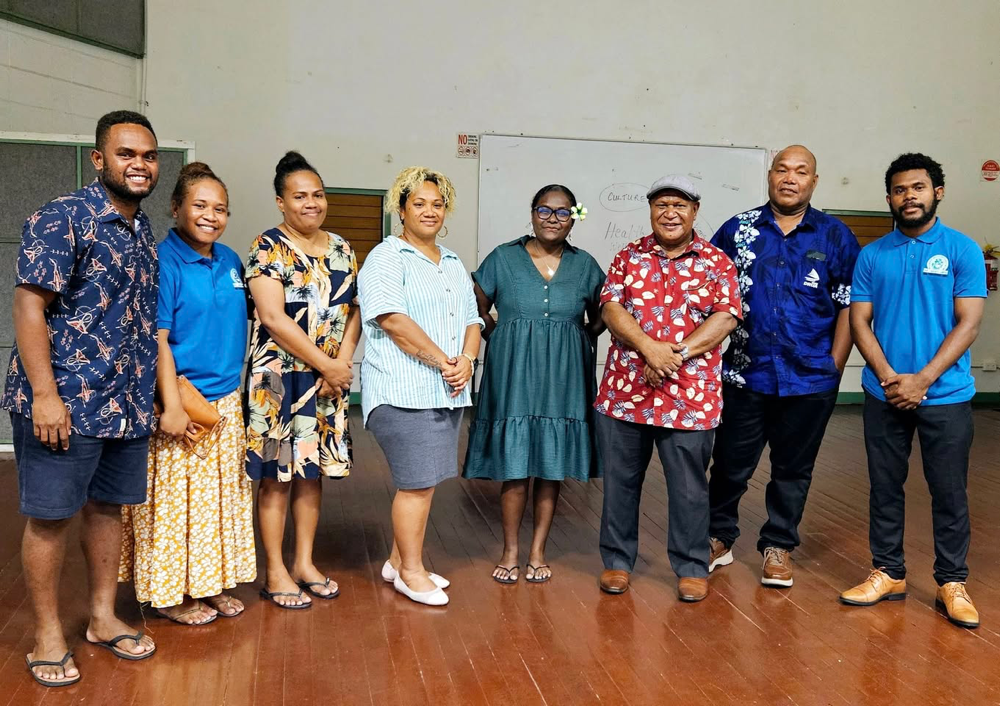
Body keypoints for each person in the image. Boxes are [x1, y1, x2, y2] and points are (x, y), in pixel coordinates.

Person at [2, 110, 160, 687]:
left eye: (147, 155)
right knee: (48, 518)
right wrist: (45, 394)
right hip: (64, 402)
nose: (138, 165)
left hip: (125, 403)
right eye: (126, 154)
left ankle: (99, 617)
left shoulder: (143, 231)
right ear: (100, 160)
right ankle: (47, 634)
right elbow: (28, 306)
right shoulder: (63, 217)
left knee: (107, 510)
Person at [840, 153, 986, 629]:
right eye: (900, 190)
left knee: (949, 492)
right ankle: (888, 573)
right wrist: (889, 378)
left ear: (937, 192)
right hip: (884, 394)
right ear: (889, 198)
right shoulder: (872, 254)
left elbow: (969, 323)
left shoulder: (962, 250)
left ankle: (951, 582)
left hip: (946, 395)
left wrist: (922, 379)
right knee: (885, 488)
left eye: (918, 188)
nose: (909, 197)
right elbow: (859, 320)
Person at [706, 145, 861, 587]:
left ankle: (779, 545)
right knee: (731, 463)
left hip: (810, 377)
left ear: (814, 180)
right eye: (782, 169)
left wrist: (833, 365)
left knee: (793, 469)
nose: (790, 177)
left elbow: (849, 305)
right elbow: (710, 293)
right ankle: (718, 537)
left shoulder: (834, 235)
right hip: (743, 374)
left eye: (801, 171)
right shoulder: (737, 229)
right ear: (770, 176)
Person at [119, 162, 255, 624]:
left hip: (226, 400)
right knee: (176, 508)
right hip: (179, 400)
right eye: (199, 205)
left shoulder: (232, 261)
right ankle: (169, 595)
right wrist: (172, 408)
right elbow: (156, 339)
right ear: (176, 207)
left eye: (220, 209)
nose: (210, 216)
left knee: (219, 501)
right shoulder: (163, 261)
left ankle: (209, 583)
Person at [596, 175, 741, 603]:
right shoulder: (629, 256)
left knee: (689, 487)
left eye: (679, 205)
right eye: (661, 205)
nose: (670, 213)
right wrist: (647, 347)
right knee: (620, 484)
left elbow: (727, 316)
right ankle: (617, 563)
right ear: (651, 212)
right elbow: (610, 306)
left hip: (689, 398)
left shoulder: (716, 261)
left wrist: (671, 354)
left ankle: (692, 565)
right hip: (626, 393)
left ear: (695, 211)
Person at [464, 184, 605, 584]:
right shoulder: (503, 257)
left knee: (550, 464)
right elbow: (474, 304)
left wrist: (576, 337)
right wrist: (501, 333)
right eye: (545, 210)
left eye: (563, 212)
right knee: (515, 462)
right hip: (512, 370)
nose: (552, 218)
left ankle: (538, 550)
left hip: (565, 374)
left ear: (573, 218)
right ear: (532, 213)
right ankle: (510, 550)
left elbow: (603, 313)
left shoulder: (585, 265)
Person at [359, 166, 483, 606]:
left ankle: (398, 561)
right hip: (403, 390)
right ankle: (411, 572)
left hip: (445, 388)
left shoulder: (451, 262)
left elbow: (473, 319)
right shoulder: (386, 256)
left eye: (437, 204)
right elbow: (392, 319)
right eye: (419, 203)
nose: (429, 211)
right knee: (416, 484)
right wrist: (443, 362)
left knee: (424, 481)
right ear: (401, 209)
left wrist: (466, 360)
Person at [246, 151, 361, 609]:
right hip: (277, 381)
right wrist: (326, 364)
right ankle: (274, 571)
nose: (310, 203)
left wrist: (343, 362)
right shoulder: (266, 247)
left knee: (312, 475)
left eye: (317, 194)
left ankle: (304, 563)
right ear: (280, 202)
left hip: (328, 382)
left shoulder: (341, 248)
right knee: (277, 475)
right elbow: (273, 319)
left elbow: (354, 311)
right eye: (299, 196)